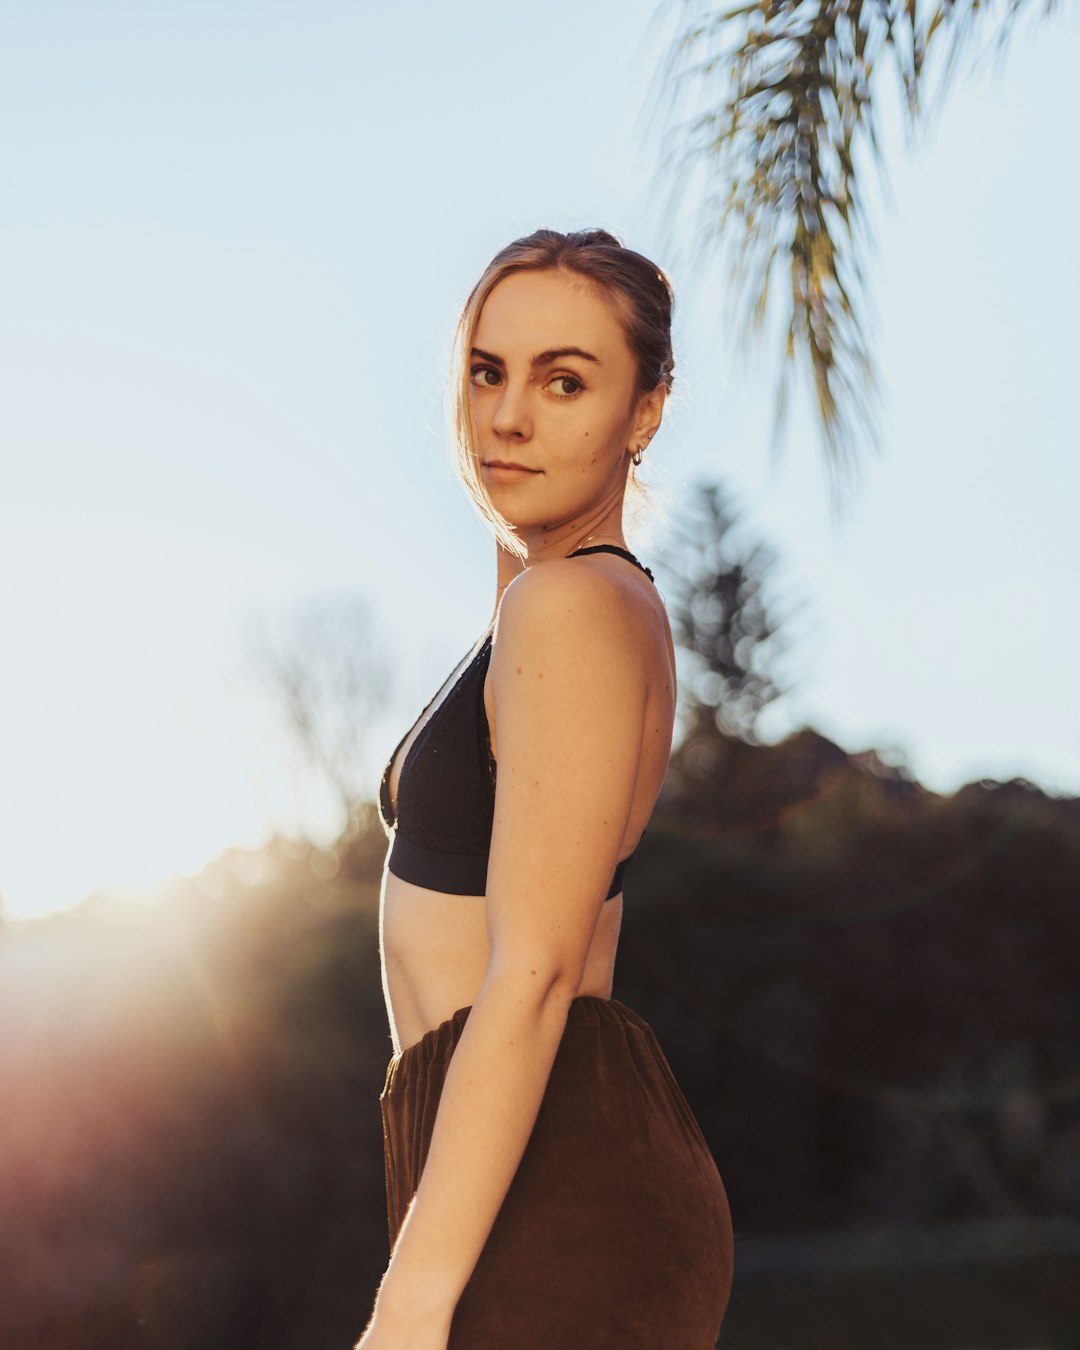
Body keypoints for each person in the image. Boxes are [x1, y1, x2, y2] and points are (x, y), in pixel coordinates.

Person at [357, 228, 733, 1350]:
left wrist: (409, 1308)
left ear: (647, 410)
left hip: (551, 1186)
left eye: (566, 380)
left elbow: (533, 970)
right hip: (521, 1168)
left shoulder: (569, 611)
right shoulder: (571, 598)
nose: (508, 415)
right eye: (487, 372)